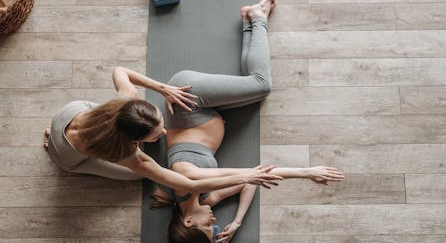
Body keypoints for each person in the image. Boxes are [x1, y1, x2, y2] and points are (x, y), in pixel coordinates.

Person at [152, 0, 344, 243]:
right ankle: (249, 18)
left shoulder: (185, 181)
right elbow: (247, 183)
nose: (214, 222)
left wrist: (307, 172)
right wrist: (238, 221)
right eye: (215, 229)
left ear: (188, 221)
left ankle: (258, 17)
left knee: (261, 84)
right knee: (258, 91)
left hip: (189, 96)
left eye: (208, 227)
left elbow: (252, 173)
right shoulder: (207, 197)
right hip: (209, 111)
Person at [43, 67, 281, 192]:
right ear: (133, 143)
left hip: (70, 114)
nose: (166, 133)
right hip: (69, 156)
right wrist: (247, 176)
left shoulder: (126, 99)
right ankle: (54, 149)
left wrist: (164, 88)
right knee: (138, 177)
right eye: (157, 134)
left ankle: (54, 138)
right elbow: (188, 185)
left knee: (103, 115)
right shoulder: (129, 157)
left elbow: (120, 71)